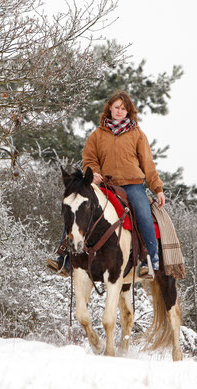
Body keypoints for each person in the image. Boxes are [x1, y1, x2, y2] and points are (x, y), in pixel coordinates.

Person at [47, 91, 165, 278]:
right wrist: (94, 172)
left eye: (123, 108)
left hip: (132, 185)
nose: (119, 111)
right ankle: (64, 258)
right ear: (110, 107)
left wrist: (157, 188)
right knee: (76, 208)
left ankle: (149, 259)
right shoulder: (97, 135)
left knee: (143, 213)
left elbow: (147, 163)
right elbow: (89, 158)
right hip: (105, 185)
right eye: (116, 107)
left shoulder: (137, 134)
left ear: (129, 112)